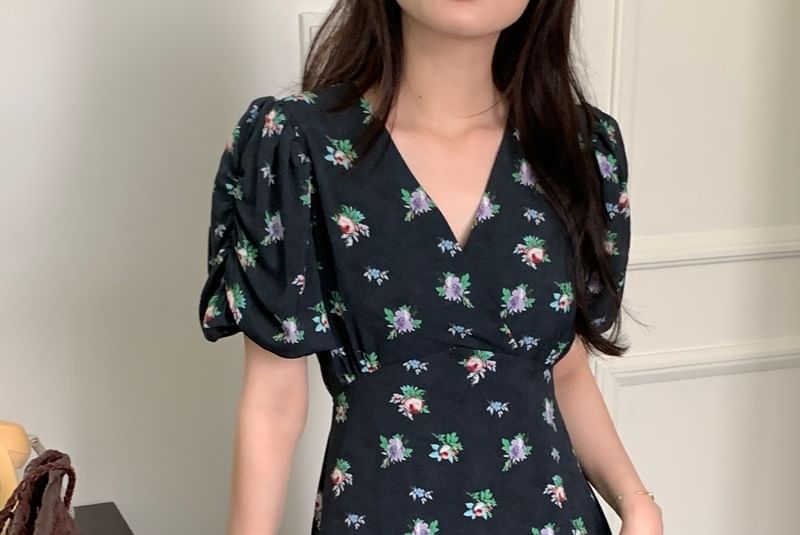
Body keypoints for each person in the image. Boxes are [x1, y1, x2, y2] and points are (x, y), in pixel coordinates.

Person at [198, 1, 663, 533]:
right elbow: (273, 404)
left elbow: (561, 366)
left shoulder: (575, 148)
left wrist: (637, 503)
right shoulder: (298, 144)